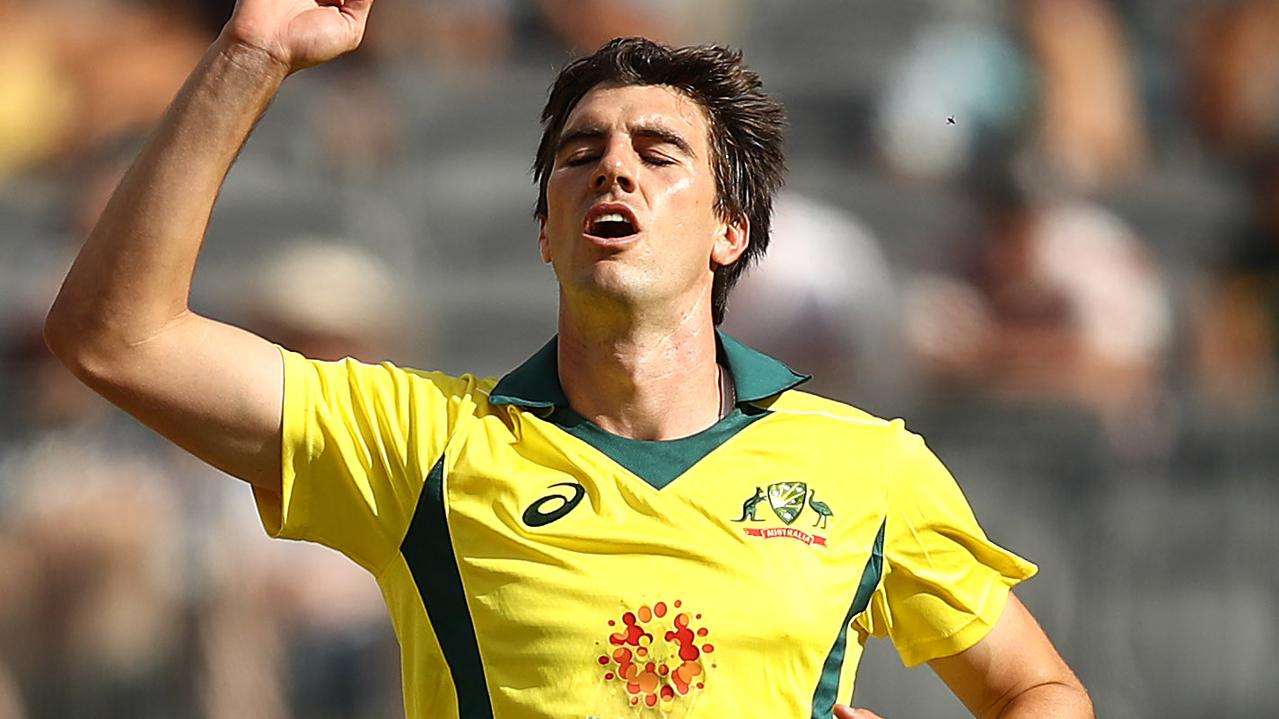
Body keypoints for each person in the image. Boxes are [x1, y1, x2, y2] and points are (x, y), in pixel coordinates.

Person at [43, 0, 1093, 717]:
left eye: (658, 151)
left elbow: (1040, 690)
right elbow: (115, 334)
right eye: (579, 154)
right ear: (545, 231)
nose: (612, 171)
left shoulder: (867, 465)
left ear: (731, 228)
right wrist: (252, 52)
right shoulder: (423, 445)